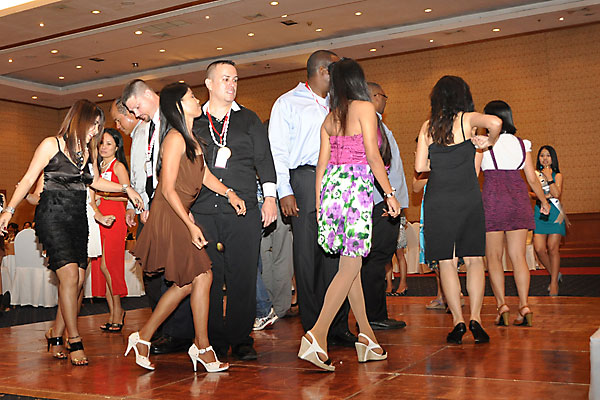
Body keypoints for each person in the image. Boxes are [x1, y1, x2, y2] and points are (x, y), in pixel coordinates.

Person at [0, 99, 143, 366]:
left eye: (99, 126)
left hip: (78, 218)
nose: (96, 131)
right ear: (80, 120)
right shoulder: (51, 144)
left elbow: (96, 182)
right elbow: (29, 179)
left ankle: (55, 333)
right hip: (52, 216)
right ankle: (74, 339)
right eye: (94, 125)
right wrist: (9, 210)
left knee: (77, 281)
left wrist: (127, 189)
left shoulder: (87, 153)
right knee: (69, 278)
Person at [126, 82, 245, 372]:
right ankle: (201, 347)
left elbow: (204, 176)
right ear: (179, 105)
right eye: (191, 96)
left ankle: (144, 337)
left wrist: (229, 193)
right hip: (169, 215)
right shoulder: (175, 138)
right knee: (203, 275)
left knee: (189, 282)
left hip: (179, 213)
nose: (196, 100)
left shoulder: (193, 138)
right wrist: (190, 225)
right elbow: (167, 189)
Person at [298, 58, 400, 372]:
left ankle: (367, 337)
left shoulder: (330, 118)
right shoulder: (364, 108)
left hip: (331, 191)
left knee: (349, 266)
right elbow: (372, 155)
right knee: (351, 265)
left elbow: (321, 166)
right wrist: (389, 194)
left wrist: (320, 205)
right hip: (355, 191)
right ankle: (316, 335)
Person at [190, 60, 277, 361]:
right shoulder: (194, 121)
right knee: (209, 277)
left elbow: (264, 160)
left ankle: (241, 339)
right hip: (203, 209)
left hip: (244, 208)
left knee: (243, 275)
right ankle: (213, 339)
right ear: (209, 83)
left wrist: (270, 198)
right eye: (225, 79)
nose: (232, 85)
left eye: (235, 79)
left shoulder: (248, 119)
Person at [269, 50, 357, 348]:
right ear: (323, 71)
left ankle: (337, 324)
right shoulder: (287, 102)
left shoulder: (340, 103)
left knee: (338, 256)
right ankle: (313, 326)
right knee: (308, 256)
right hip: (304, 180)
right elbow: (278, 151)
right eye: (336, 69)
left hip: (338, 179)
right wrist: (285, 190)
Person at [415, 75, 501, 345]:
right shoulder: (468, 120)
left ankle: (457, 321)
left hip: (438, 199)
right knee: (474, 260)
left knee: (446, 262)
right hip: (467, 197)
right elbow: (496, 123)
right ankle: (475, 318)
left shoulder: (428, 127)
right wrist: (488, 142)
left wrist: (440, 161)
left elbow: (420, 166)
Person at [480, 100, 550, 326]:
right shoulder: (522, 144)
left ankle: (502, 306)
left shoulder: (483, 143)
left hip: (493, 199)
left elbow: (472, 174)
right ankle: (524, 305)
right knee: (518, 257)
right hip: (518, 199)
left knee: (493, 257)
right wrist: (543, 201)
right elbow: (531, 178)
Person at [359, 81, 408, 330]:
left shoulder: (377, 123)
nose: (386, 101)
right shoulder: (371, 123)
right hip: (380, 202)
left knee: (380, 258)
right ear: (375, 96)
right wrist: (388, 196)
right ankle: (374, 316)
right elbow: (376, 162)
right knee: (376, 260)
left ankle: (374, 314)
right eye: (384, 96)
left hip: (385, 200)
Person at [90, 128, 131, 332]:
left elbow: (127, 194)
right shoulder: (97, 167)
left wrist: (103, 195)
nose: (104, 147)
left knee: (109, 266)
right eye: (101, 143)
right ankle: (113, 312)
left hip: (114, 218)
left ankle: (119, 310)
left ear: (116, 147)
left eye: (108, 143)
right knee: (101, 267)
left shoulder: (118, 166)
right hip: (98, 218)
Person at [532, 145, 566, 296]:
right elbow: (534, 193)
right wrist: (539, 195)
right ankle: (555, 273)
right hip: (540, 212)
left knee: (553, 248)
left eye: (547, 155)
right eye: (541, 155)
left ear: (553, 158)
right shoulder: (535, 174)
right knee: (539, 248)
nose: (544, 158)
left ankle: (553, 283)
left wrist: (549, 178)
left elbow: (556, 193)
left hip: (555, 213)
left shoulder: (557, 175)